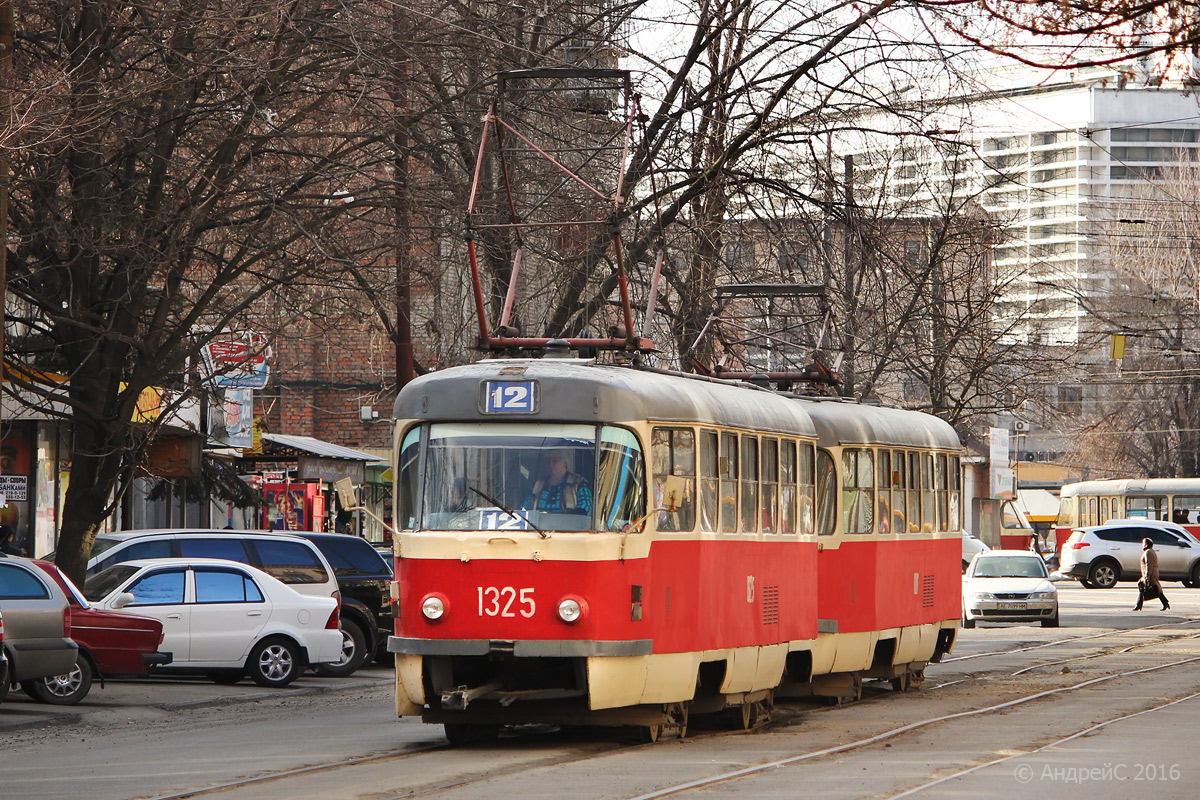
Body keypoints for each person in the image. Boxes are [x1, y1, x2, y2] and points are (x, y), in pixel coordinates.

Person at [524, 451, 592, 514]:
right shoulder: (537, 486)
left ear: (565, 464)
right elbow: (525, 509)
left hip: (567, 526)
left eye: (554, 461)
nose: (550, 465)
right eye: (548, 462)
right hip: (537, 526)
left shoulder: (578, 484)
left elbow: (586, 510)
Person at [1133, 537, 1170, 611]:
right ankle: (1139, 605)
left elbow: (1148, 564)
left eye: (1143, 543)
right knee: (1152, 588)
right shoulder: (1151, 551)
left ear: (1146, 544)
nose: (1142, 545)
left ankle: (1138, 605)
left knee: (1152, 588)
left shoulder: (1148, 552)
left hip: (1150, 573)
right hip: (1152, 572)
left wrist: (1148, 575)